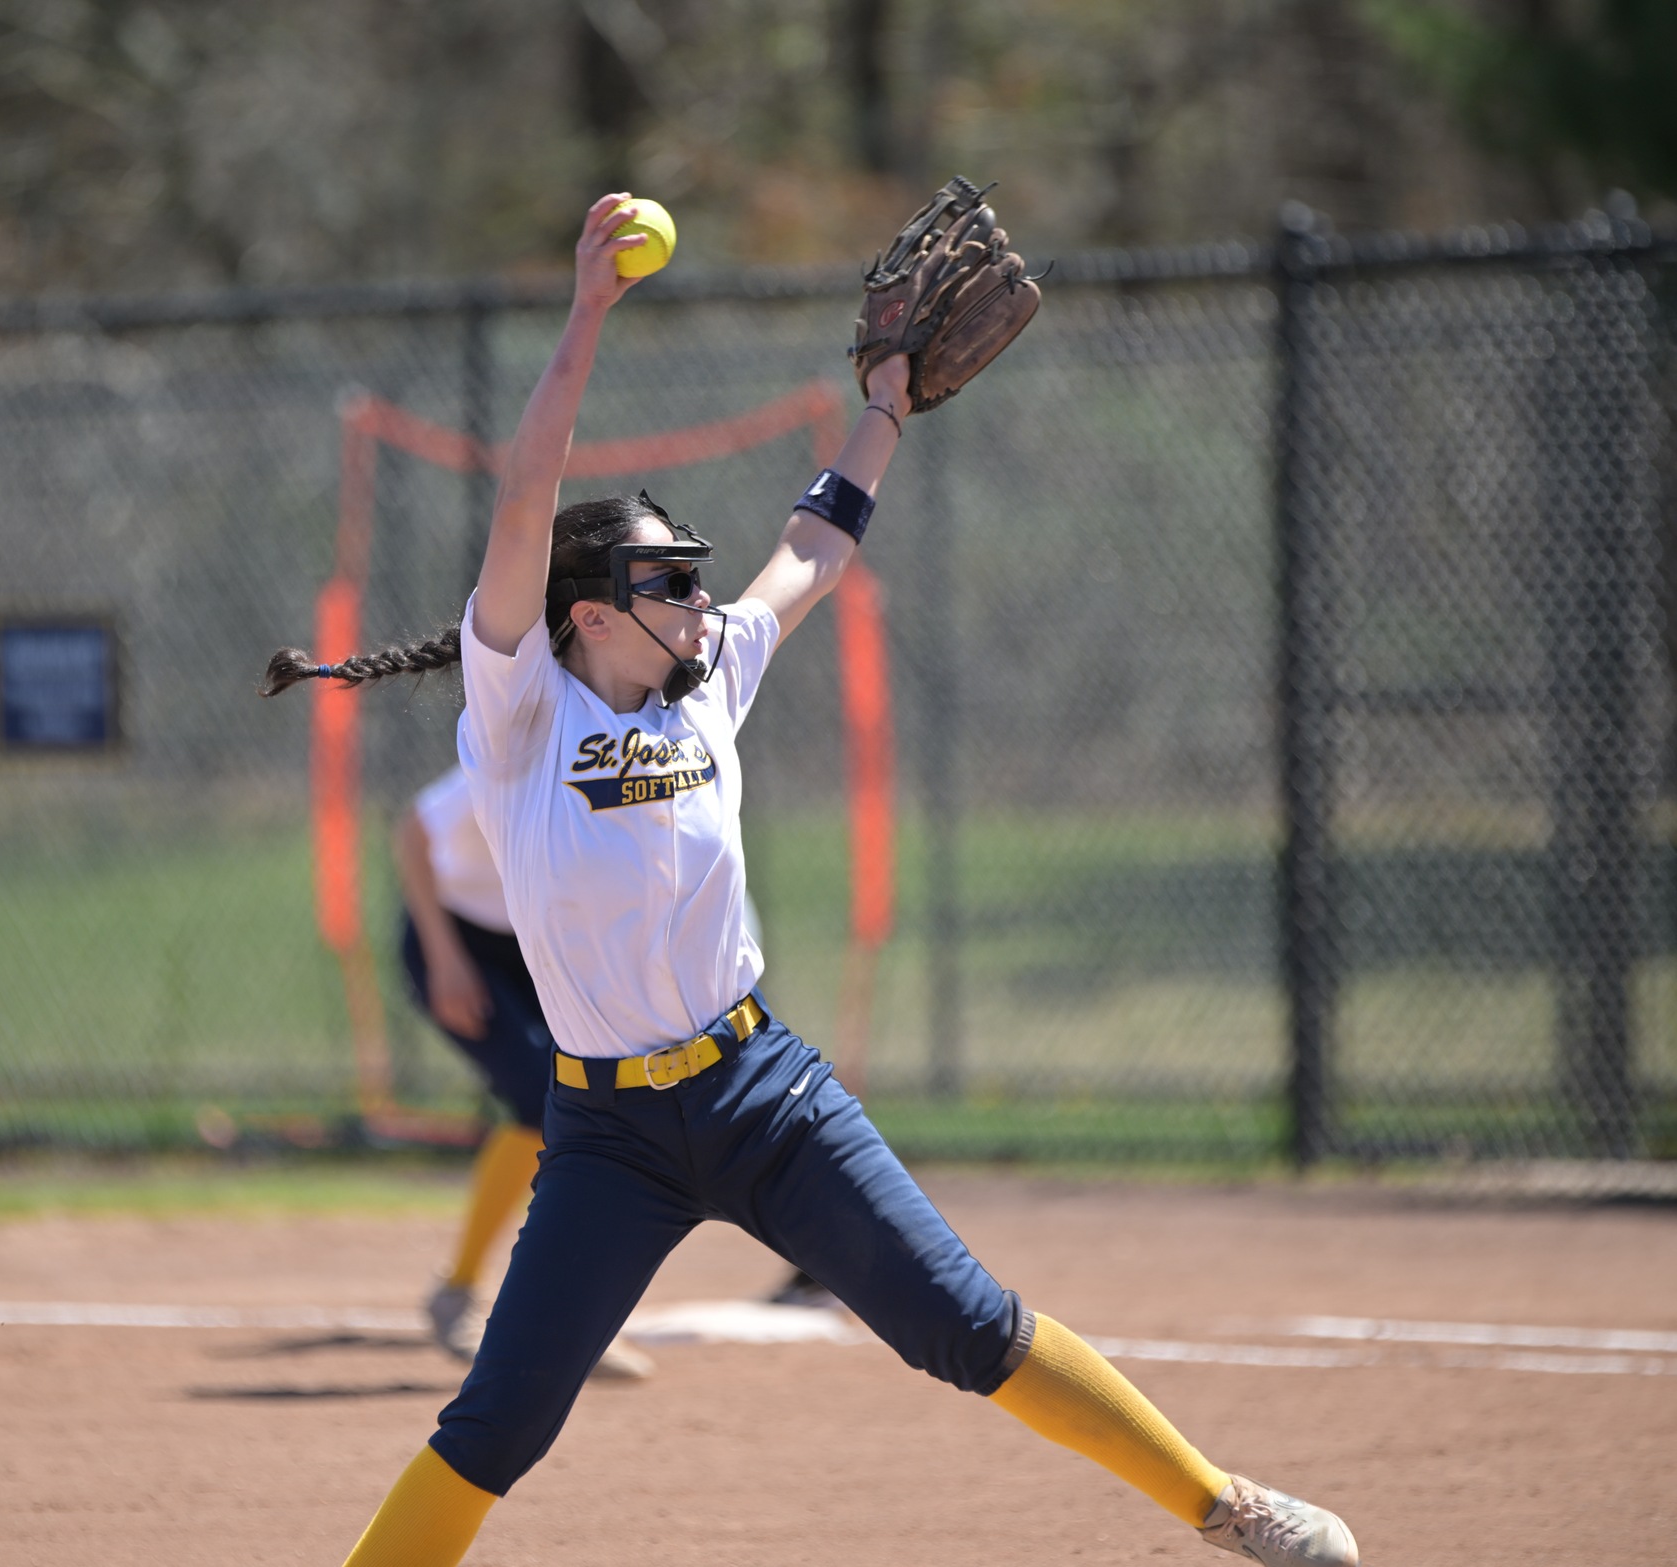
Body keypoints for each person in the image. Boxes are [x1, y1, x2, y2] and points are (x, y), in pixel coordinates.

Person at [262, 194, 1359, 1566]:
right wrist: (586, 312)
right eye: (664, 576)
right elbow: (527, 488)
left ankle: (1221, 1500)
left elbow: (816, 542)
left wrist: (886, 405)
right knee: (495, 1422)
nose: (694, 593)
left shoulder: (710, 667)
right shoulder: (518, 710)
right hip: (604, 1135)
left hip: (762, 1094)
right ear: (590, 607)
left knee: (964, 1323)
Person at [394, 766, 652, 1381]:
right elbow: (411, 833)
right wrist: (444, 957)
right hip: (461, 944)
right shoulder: (523, 762)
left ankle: (571, 1320)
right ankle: (460, 1293)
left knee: (592, 1112)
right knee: (543, 1106)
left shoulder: (630, 760)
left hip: (540, 947)